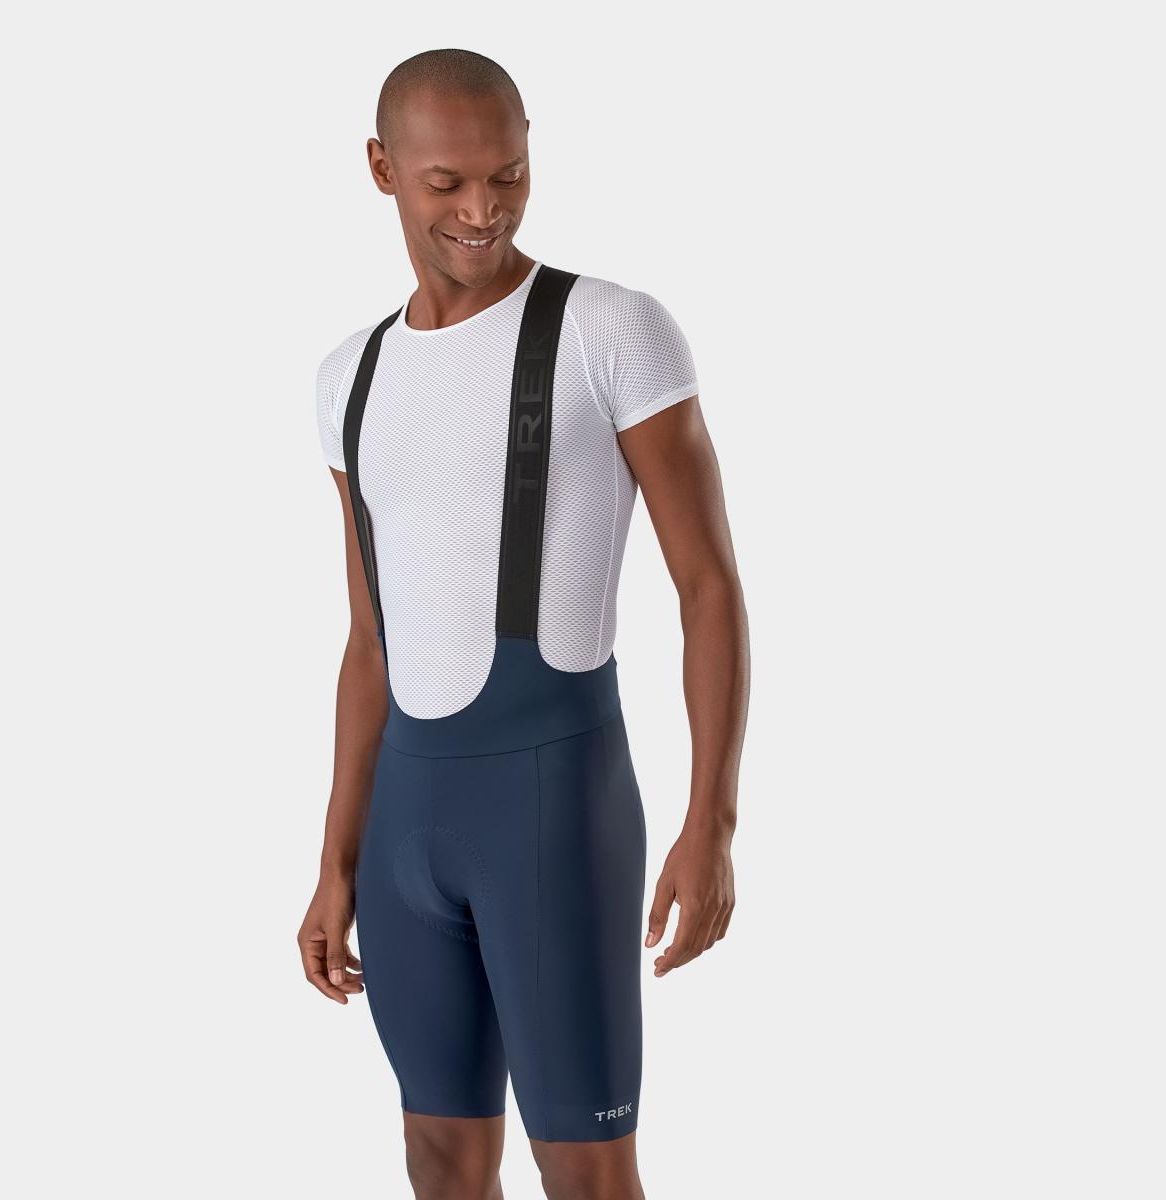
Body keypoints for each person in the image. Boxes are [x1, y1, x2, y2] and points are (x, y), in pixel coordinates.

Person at [298, 48, 750, 1200]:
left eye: (506, 174)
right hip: (405, 824)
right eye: (445, 183)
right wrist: (334, 862)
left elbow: (707, 586)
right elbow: (368, 642)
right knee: (439, 1160)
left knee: (586, 1171)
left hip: (553, 808)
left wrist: (710, 822)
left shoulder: (610, 329)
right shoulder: (349, 376)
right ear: (381, 169)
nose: (482, 210)